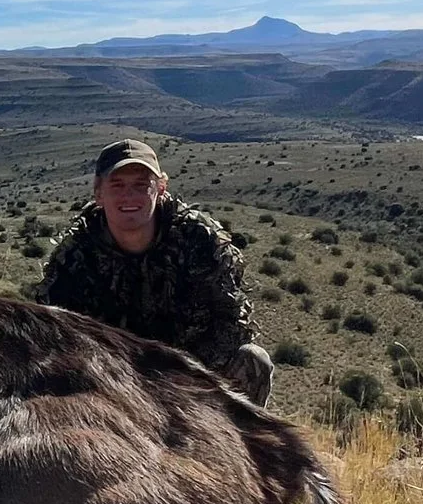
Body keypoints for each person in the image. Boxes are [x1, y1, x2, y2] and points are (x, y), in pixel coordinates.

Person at [37, 138, 276, 403]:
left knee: (253, 361)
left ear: (161, 188)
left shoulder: (200, 240)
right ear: (98, 193)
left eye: (141, 185)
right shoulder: (73, 257)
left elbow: (231, 327)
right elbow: (55, 341)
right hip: (112, 387)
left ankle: (241, 445)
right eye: (117, 186)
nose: (129, 197)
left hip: (193, 381)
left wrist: (176, 376)